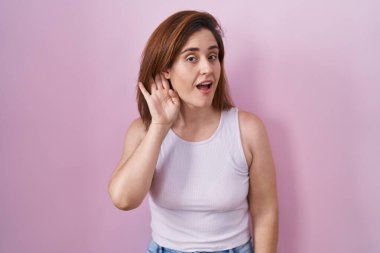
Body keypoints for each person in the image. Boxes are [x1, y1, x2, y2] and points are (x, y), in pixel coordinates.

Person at [108, 10, 278, 253]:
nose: (208, 68)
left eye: (213, 56)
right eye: (191, 58)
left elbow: (265, 212)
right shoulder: (142, 131)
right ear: (166, 69)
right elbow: (124, 199)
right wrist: (159, 127)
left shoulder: (248, 130)